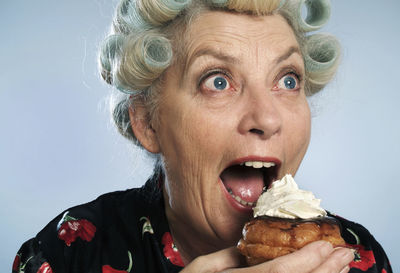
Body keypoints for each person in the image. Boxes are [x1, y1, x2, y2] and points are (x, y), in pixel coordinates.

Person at [12, 0, 392, 272]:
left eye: (287, 80)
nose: (266, 117)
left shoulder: (355, 257)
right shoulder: (66, 255)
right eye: (219, 81)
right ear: (148, 123)